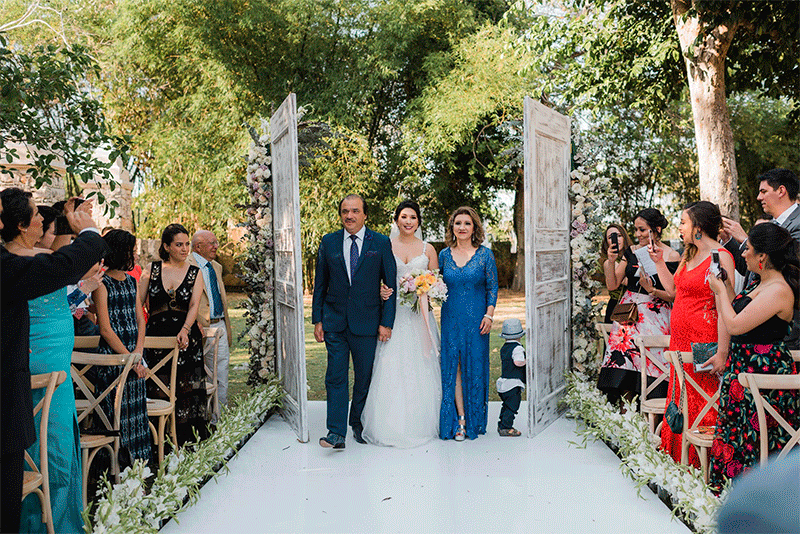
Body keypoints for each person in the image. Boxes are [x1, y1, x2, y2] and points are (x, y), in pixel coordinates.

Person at [0, 190, 108, 534]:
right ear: (20, 225)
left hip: (33, 361)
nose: (41, 221)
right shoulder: (24, 264)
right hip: (41, 365)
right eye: (36, 216)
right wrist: (89, 230)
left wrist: (68, 218)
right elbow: (67, 261)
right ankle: (50, 522)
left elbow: (63, 259)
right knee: (52, 443)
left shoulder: (30, 259)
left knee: (36, 439)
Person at [706, 223, 800, 494]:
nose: (743, 253)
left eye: (747, 248)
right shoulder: (761, 284)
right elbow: (739, 313)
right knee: (737, 437)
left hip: (765, 376)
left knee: (758, 441)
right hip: (742, 371)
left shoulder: (779, 290)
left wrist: (721, 292)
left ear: (762, 257)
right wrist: (724, 286)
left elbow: (735, 325)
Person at [312, 194, 397, 449]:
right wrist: (318, 319)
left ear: (364, 215)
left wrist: (387, 322)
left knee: (364, 377)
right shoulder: (329, 242)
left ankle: (358, 423)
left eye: (355, 211)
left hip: (367, 323)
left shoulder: (380, 243)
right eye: (345, 211)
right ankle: (336, 432)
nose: (349, 216)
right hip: (334, 322)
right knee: (335, 377)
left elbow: (390, 285)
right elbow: (320, 285)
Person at [656, 201, 735, 467]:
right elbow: (675, 291)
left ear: (698, 227)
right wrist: (658, 263)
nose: (679, 227)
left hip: (704, 339)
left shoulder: (721, 257)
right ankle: (676, 462)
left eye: (683, 222)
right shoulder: (689, 254)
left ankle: (701, 468)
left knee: (703, 401)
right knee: (680, 400)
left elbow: (725, 307)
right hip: (679, 339)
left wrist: (722, 352)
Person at [361, 200, 441, 448]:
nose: (408, 221)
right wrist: (381, 291)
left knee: (421, 367)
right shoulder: (385, 245)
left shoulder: (428, 250)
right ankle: (388, 426)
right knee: (390, 367)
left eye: (413, 217)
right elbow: (375, 278)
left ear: (419, 221)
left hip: (419, 317)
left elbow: (437, 284)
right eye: (404, 216)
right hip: (392, 316)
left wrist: (426, 289)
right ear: (396, 220)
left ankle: (420, 423)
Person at [597, 208, 680, 405]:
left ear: (656, 229)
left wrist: (651, 289)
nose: (637, 234)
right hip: (629, 315)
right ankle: (626, 411)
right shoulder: (631, 252)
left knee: (652, 360)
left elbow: (673, 293)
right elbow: (612, 285)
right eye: (635, 230)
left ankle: (651, 410)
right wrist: (610, 262)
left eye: (642, 230)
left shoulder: (672, 255)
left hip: (657, 313)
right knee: (625, 359)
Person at [138, 223, 208, 445]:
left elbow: (195, 304)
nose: (185, 249)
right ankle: (159, 441)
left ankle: (186, 441)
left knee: (186, 390)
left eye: (187, 244)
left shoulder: (195, 272)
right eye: (179, 245)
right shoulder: (151, 269)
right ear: (167, 246)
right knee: (157, 388)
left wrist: (185, 330)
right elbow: (137, 304)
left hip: (185, 337)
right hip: (155, 338)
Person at [438, 206, 498, 441]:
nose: (462, 227)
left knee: (474, 366)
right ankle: (460, 420)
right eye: (458, 223)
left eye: (467, 223)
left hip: (477, 320)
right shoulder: (444, 255)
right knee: (455, 368)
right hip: (451, 319)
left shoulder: (485, 255)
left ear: (474, 228)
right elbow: (435, 283)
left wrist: (489, 314)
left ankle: (475, 419)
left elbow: (492, 287)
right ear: (452, 227)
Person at [91, 230, 151, 464]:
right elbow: (105, 329)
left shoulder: (132, 281)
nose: (135, 254)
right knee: (115, 415)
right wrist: (129, 358)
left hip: (133, 356)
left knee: (136, 415)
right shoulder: (101, 284)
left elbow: (140, 319)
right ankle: (114, 470)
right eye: (131, 250)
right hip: (114, 360)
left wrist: (138, 352)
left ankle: (140, 468)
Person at [723, 169, 800, 349]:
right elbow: (751, 268)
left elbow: (789, 263)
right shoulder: (772, 225)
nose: (758, 197)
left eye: (763, 191)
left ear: (781, 191)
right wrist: (729, 240)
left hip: (789, 327)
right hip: (758, 324)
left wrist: (744, 239)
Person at [189, 230, 232, 423]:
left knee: (220, 373)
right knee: (196, 375)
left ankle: (218, 420)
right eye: (212, 243)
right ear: (198, 246)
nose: (216, 246)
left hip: (219, 325)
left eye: (216, 242)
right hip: (196, 328)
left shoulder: (216, 267)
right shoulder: (186, 264)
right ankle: (198, 420)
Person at [496, 318, 526, 437]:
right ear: (519, 336)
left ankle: (501, 424)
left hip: (504, 383)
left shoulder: (505, 347)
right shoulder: (518, 348)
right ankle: (506, 427)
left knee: (506, 405)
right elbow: (518, 362)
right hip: (513, 384)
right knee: (512, 407)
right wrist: (526, 361)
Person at [599, 224, 633, 323]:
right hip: (618, 307)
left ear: (624, 237)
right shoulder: (609, 262)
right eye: (611, 237)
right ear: (607, 242)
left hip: (633, 305)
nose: (616, 240)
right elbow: (627, 281)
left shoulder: (632, 255)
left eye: (619, 236)